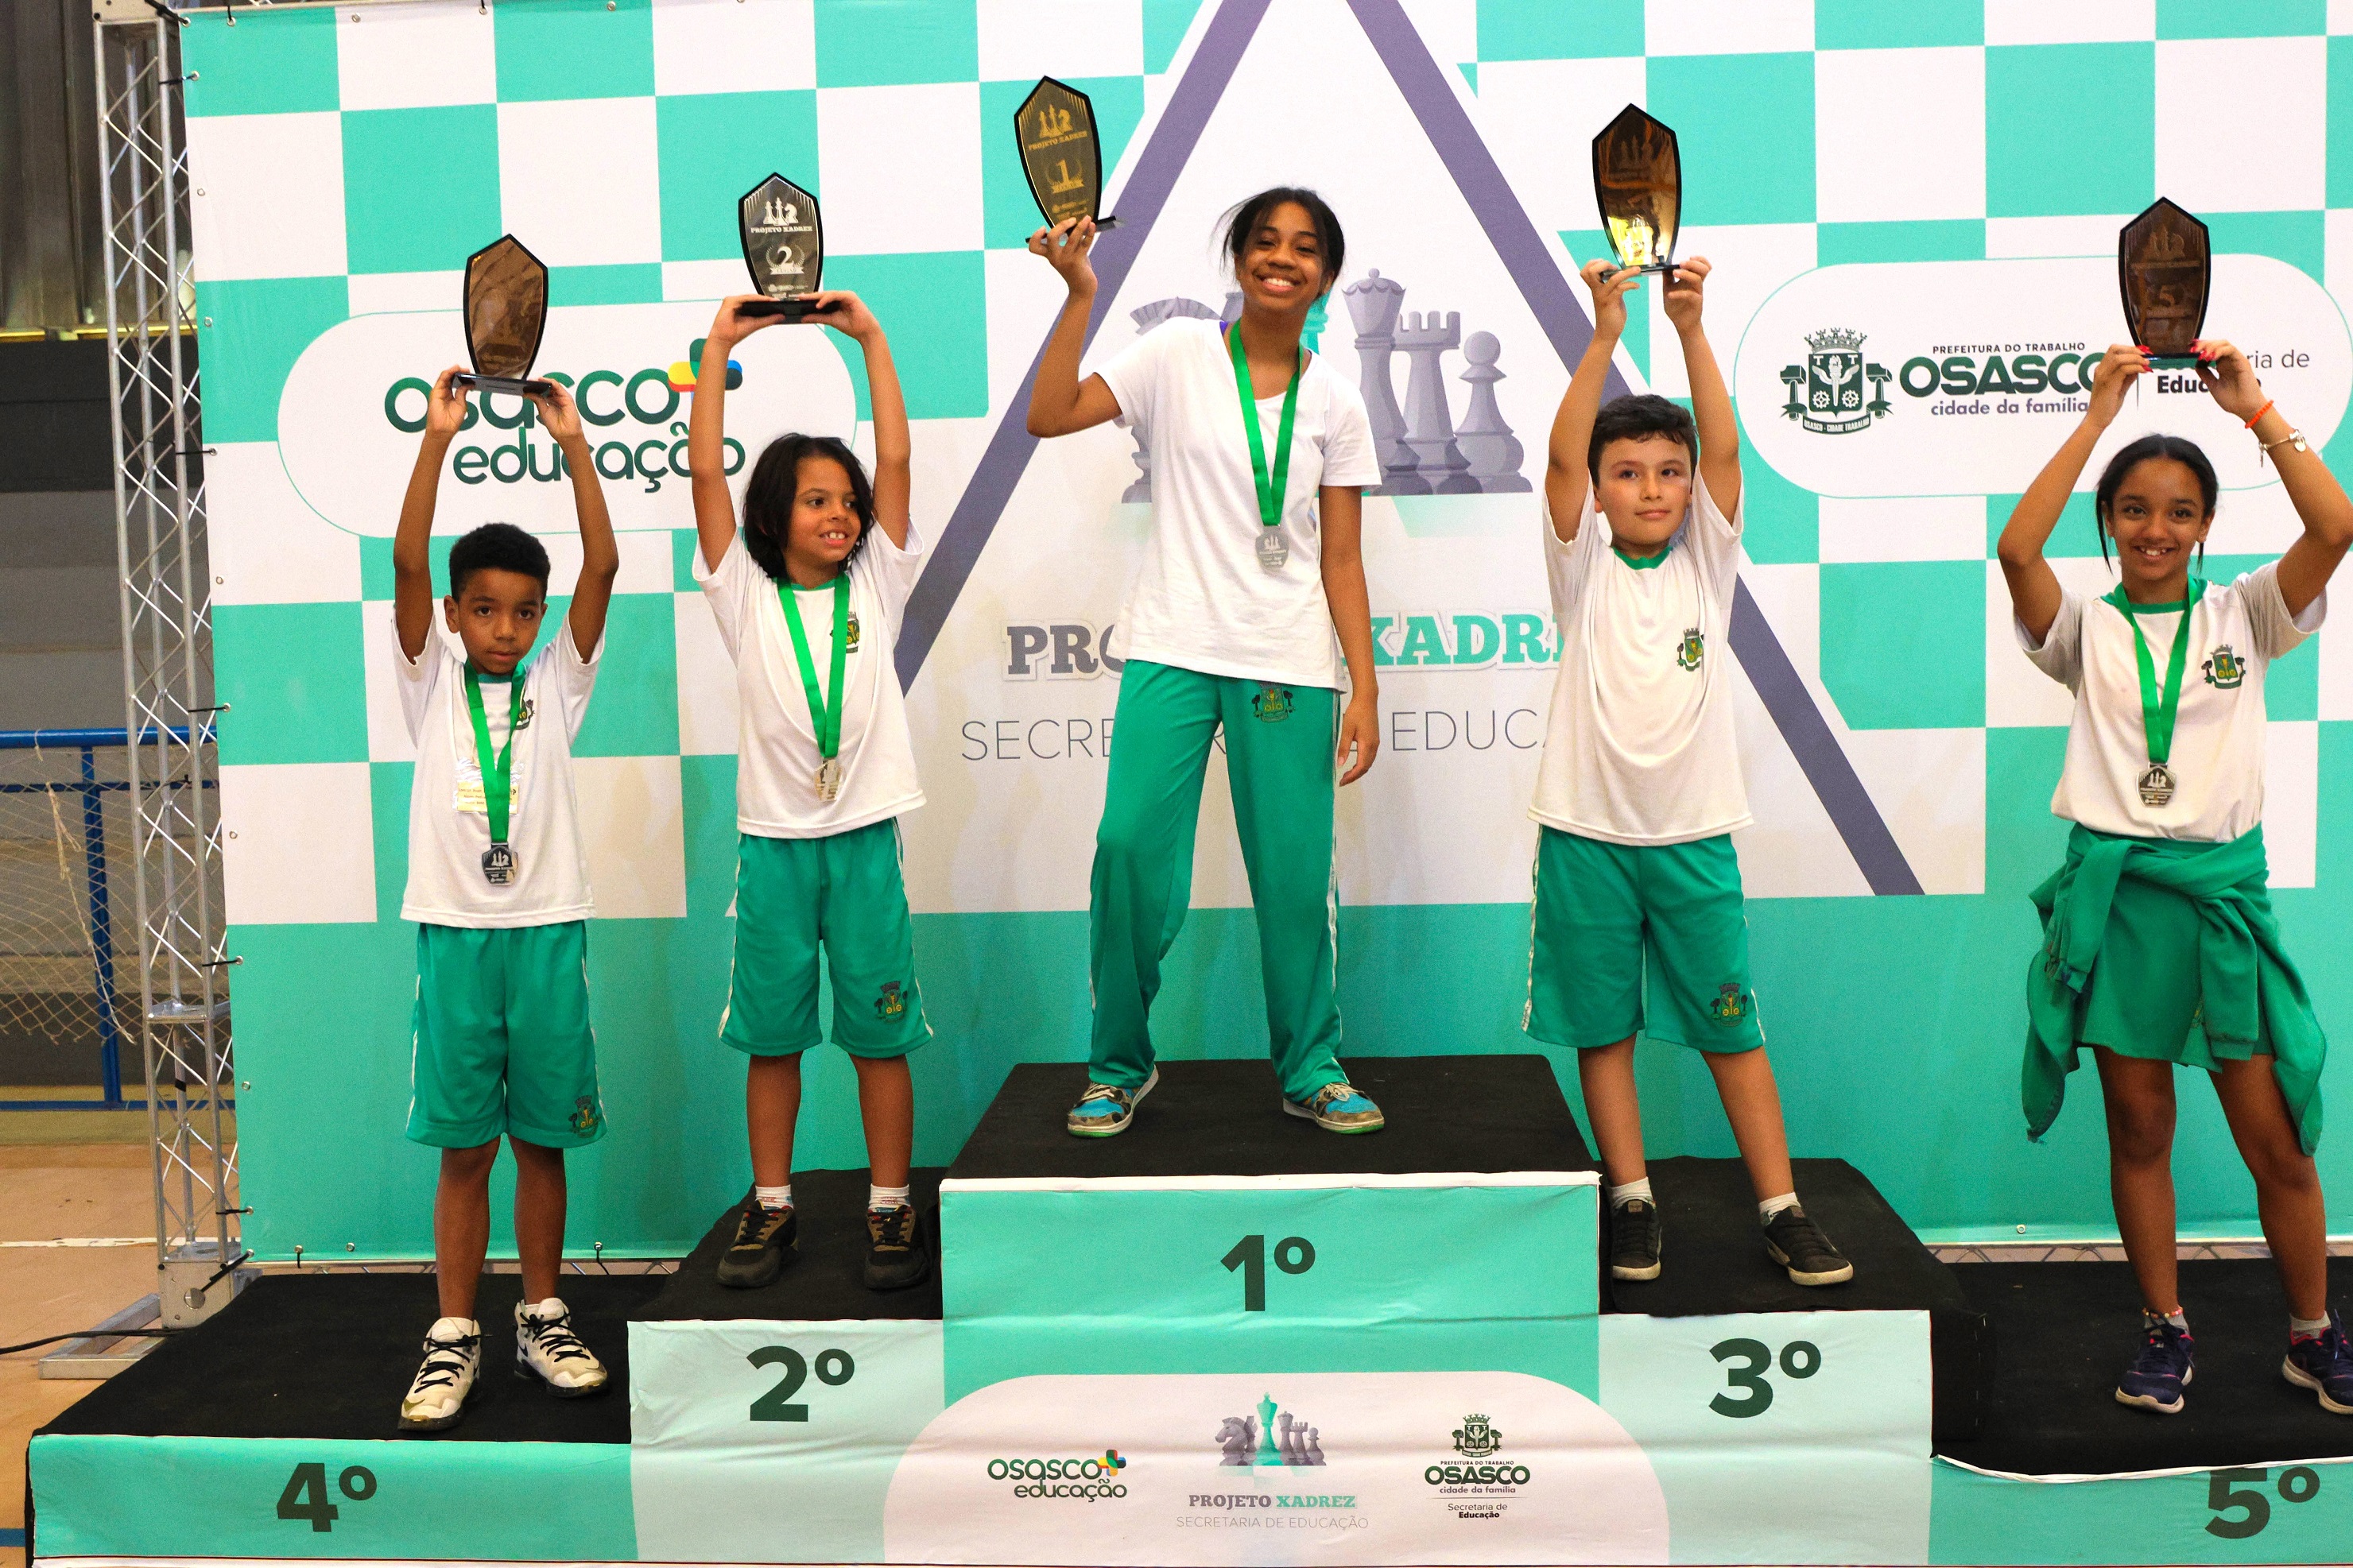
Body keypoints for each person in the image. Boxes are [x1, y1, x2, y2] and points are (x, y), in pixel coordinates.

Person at [1998, 338, 2353, 1416]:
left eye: (2179, 511)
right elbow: (2016, 548)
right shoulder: (2080, 629)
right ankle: (2164, 1328)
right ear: (2108, 520)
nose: (2155, 529)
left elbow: (2335, 527)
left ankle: (2312, 1333)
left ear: (2204, 525)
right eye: (2134, 509)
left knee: (2275, 1141)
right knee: (2139, 1127)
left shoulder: (2246, 612)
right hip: (2121, 908)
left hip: (2219, 905)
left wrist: (2256, 410)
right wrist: (2094, 420)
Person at [1024, 188, 1386, 1138]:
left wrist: (1363, 684)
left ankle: (1310, 1067)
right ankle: (1116, 1066)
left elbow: (1341, 559)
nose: (1281, 259)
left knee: (1294, 877)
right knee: (1126, 850)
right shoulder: (1174, 353)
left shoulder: (1337, 401)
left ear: (1325, 276)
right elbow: (1048, 413)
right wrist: (1077, 293)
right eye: (1263, 241)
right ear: (1237, 258)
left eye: (1303, 247)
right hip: (1172, 643)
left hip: (1287, 658)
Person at [1529, 256, 1853, 1290]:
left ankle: (1782, 1206)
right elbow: (1559, 457)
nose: (1652, 488)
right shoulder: (1579, 564)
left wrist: (1690, 327)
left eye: (1667, 472)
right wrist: (1602, 335)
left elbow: (1724, 447)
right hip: (1585, 835)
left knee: (1732, 1029)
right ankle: (1630, 1198)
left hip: (1693, 837)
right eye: (1627, 473)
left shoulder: (1706, 562)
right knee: (1603, 1030)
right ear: (1598, 491)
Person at [689, 291, 932, 1293]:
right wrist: (718, 346)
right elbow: (705, 470)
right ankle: (773, 1201)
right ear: (771, 517)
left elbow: (898, 457)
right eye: (815, 500)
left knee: (881, 1035)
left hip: (865, 838)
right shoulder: (743, 590)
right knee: (772, 1039)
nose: (839, 514)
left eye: (848, 500)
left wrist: (870, 336)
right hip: (775, 847)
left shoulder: (877, 580)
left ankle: (889, 1204)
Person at [392, 370, 618, 1432]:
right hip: (455, 933)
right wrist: (437, 439)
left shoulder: (557, 680)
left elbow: (603, 565)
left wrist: (574, 444)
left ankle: (541, 1315)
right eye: (483, 609)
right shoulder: (429, 677)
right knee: (465, 1147)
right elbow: (407, 559)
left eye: (524, 611)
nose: (505, 628)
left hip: (546, 931)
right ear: (452, 614)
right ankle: (453, 1332)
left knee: (542, 1140)